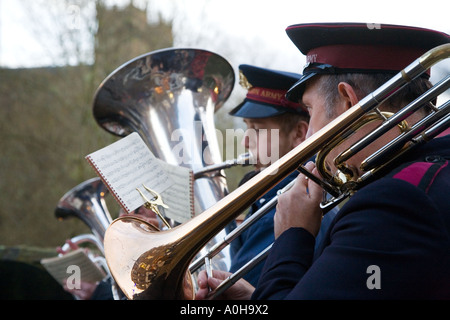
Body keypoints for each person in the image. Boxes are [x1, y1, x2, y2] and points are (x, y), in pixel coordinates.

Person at [196, 23, 450, 300]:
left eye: (310, 110)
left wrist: (292, 236)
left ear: (347, 103)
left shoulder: (397, 200)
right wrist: (253, 297)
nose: (309, 138)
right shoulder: (427, 175)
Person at [225, 64, 310, 287]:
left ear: (299, 133)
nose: (245, 141)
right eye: (247, 127)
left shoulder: (278, 208)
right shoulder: (270, 195)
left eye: (258, 129)